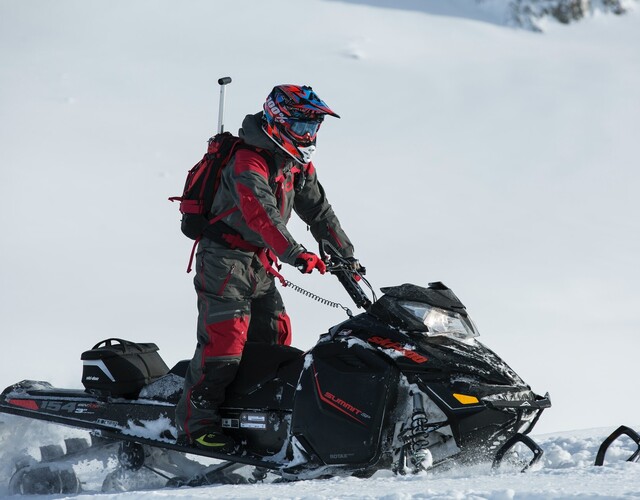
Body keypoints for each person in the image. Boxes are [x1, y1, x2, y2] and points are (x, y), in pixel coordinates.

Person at [175, 84, 363, 451]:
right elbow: (262, 216)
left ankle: (253, 417)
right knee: (224, 345)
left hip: (260, 262)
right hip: (224, 261)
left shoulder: (295, 163)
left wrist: (346, 257)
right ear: (278, 120)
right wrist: (296, 254)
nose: (309, 135)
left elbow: (320, 213)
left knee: (273, 339)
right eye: (303, 126)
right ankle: (195, 424)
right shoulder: (249, 160)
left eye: (313, 129)